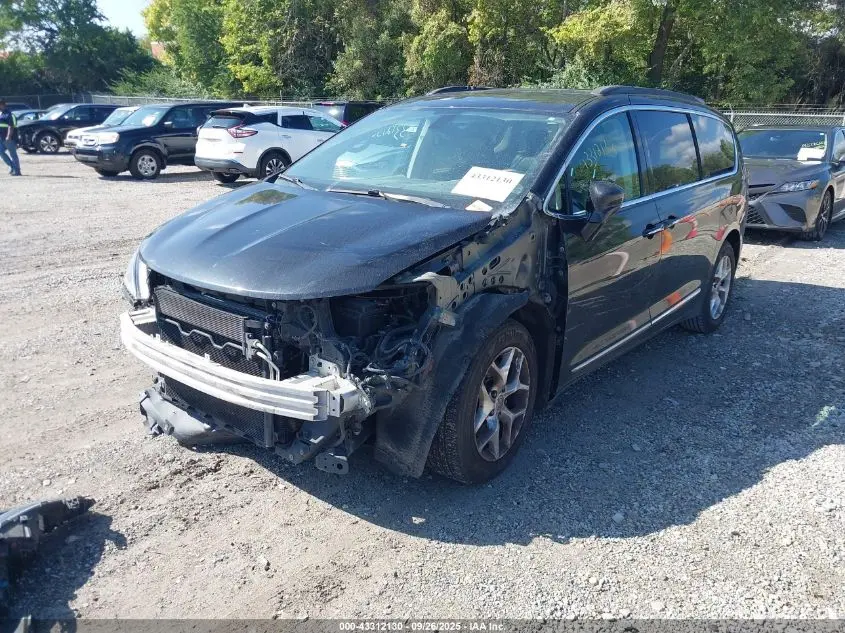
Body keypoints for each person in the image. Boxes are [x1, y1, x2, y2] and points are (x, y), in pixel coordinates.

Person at [0, 99, 22, 176]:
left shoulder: (9, 114)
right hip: (2, 138)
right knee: (1, 152)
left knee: (13, 155)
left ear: (2, 105)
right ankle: (13, 166)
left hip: (9, 139)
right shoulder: (1, 114)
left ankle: (17, 171)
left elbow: (11, 126)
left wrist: (8, 136)